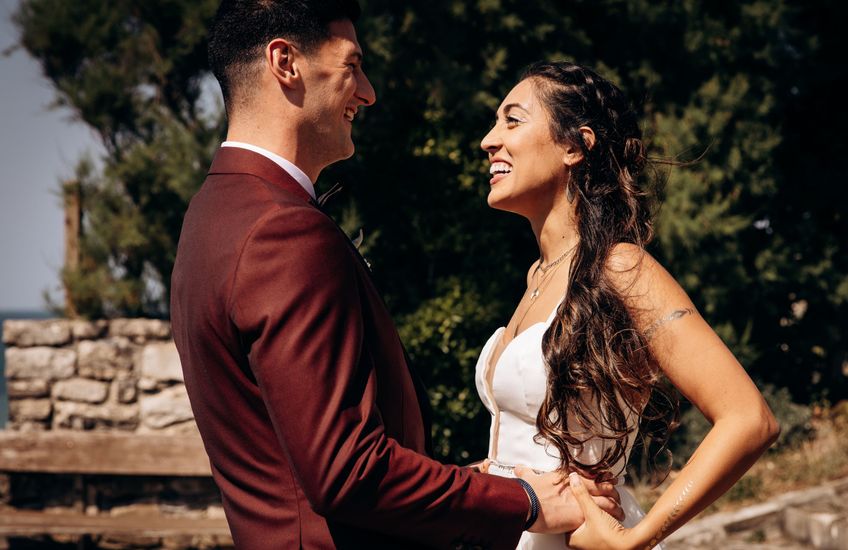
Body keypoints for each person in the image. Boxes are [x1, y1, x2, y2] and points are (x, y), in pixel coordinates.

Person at [170, 2, 623, 549]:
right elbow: (346, 471)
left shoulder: (212, 214)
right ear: (285, 62)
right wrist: (524, 503)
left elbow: (299, 448)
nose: (368, 91)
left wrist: (472, 483)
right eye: (352, 65)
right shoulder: (281, 232)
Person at [475, 60, 780, 550]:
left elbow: (748, 417)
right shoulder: (536, 276)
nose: (489, 140)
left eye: (512, 120)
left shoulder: (619, 267)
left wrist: (633, 538)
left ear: (575, 145)